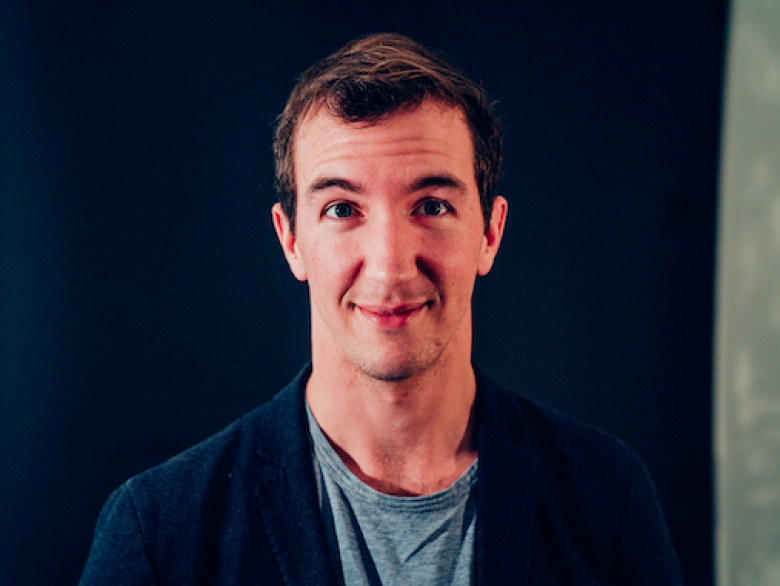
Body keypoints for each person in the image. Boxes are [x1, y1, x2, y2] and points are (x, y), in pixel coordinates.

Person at [79, 33, 684, 585]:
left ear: (490, 233)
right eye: (342, 209)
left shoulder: (609, 497)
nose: (391, 265)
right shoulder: (158, 532)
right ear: (291, 240)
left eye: (432, 205)